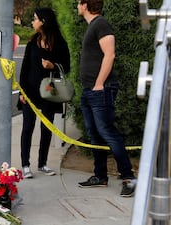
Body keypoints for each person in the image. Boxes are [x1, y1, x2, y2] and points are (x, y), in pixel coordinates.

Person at [77, 0, 137, 197]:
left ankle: (128, 177)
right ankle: (100, 176)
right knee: (95, 134)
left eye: (79, 2)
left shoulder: (101, 24)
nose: (77, 6)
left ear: (85, 5)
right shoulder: (93, 26)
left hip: (100, 89)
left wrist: (99, 83)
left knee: (107, 132)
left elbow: (110, 55)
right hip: (89, 91)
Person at [17, 7, 70, 178]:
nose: (33, 22)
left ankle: (42, 164)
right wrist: (22, 92)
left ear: (44, 21)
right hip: (30, 91)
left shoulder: (59, 43)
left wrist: (52, 66)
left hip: (49, 91)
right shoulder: (32, 42)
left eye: (35, 19)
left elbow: (67, 67)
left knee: (46, 128)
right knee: (27, 127)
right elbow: (24, 69)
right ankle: (25, 164)